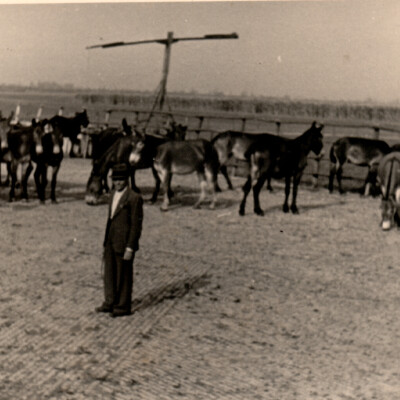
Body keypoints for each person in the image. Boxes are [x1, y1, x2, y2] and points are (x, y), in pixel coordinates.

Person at [95, 163, 143, 318]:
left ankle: (122, 306)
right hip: (110, 240)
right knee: (109, 273)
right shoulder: (112, 194)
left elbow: (136, 225)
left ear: (127, 180)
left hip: (124, 243)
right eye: (115, 180)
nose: (118, 183)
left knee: (123, 274)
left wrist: (131, 247)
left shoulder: (134, 198)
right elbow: (110, 219)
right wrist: (105, 241)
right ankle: (110, 301)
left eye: (121, 180)